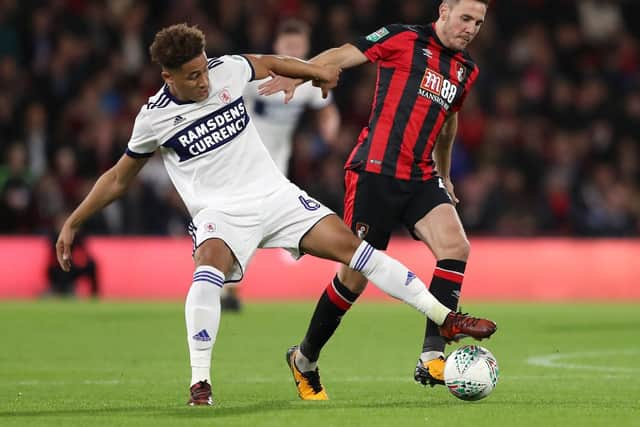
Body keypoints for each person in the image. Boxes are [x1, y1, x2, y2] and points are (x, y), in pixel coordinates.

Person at [55, 23, 496, 407]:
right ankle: (200, 383)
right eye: (192, 77)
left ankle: (445, 318)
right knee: (206, 268)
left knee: (356, 253)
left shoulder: (226, 68)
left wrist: (315, 72)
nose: (205, 81)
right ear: (167, 77)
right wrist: (74, 221)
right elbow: (118, 178)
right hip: (221, 214)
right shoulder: (153, 120)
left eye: (205, 69)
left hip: (275, 197)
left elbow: (268, 61)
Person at [260, 0, 491, 399]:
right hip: (375, 172)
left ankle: (431, 357)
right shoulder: (403, 38)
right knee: (355, 276)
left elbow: (448, 121)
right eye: (466, 18)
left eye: (479, 23)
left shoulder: (465, 70)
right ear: (445, 11)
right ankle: (304, 358)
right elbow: (344, 54)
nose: (471, 28)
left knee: (456, 247)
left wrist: (446, 174)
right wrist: (300, 75)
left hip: (420, 175)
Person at [215, 19, 341, 312]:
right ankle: (230, 285)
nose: (294, 51)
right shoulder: (255, 74)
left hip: (276, 164)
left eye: (299, 46)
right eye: (289, 46)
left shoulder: (308, 80)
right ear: (277, 47)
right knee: (245, 221)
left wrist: (330, 131)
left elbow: (327, 110)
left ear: (306, 48)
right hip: (242, 161)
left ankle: (230, 286)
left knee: (252, 223)